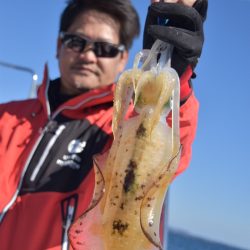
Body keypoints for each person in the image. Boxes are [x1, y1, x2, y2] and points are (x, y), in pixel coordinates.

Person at [0, 0, 207, 249]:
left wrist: (175, 82)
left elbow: (171, 141)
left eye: (104, 49)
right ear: (58, 46)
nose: (87, 55)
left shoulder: (121, 126)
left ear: (122, 59)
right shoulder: (6, 117)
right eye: (76, 42)